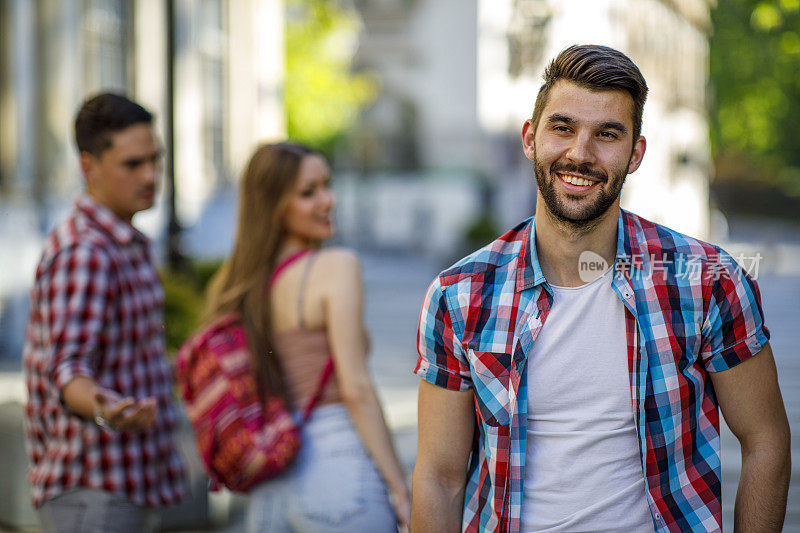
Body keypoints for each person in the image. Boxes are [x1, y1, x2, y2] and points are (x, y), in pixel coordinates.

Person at [411, 45, 791, 532]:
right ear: (530, 138)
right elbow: (440, 478)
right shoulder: (459, 296)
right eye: (562, 128)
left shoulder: (706, 282)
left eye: (607, 135)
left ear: (635, 154)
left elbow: (766, 442)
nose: (580, 153)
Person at [203, 142, 411, 532]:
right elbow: (356, 390)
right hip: (338, 469)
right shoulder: (336, 267)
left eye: (326, 186)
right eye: (308, 192)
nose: (328, 200)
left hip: (270, 487)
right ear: (274, 206)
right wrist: (399, 487)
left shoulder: (237, 288)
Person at [22, 93, 186, 532]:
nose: (151, 175)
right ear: (88, 167)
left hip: (128, 481)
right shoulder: (86, 251)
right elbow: (68, 367)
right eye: (133, 164)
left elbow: (128, 356)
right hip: (92, 488)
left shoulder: (123, 241)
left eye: (156, 159)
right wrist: (104, 407)